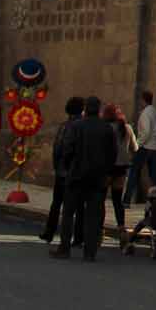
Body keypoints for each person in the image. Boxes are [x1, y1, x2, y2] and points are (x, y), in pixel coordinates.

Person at [50, 96, 116, 262]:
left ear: (86, 109)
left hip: (77, 174)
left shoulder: (76, 126)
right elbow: (112, 154)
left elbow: (68, 148)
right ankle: (90, 252)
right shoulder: (107, 128)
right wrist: (107, 172)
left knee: (68, 212)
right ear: (99, 109)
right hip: (97, 177)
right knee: (93, 215)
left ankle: (64, 248)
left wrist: (67, 166)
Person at [40, 96, 84, 243]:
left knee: (57, 203)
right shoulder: (82, 126)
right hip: (76, 170)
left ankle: (49, 232)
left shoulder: (64, 126)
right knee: (77, 206)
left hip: (62, 170)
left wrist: (58, 165)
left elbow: (57, 148)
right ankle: (78, 237)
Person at [103, 102, 138, 237]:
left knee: (101, 198)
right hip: (122, 168)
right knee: (118, 200)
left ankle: (99, 228)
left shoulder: (105, 128)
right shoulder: (127, 128)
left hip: (107, 167)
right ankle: (121, 227)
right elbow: (135, 148)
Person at [124, 90, 156, 205]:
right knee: (154, 176)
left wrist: (138, 144)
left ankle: (127, 199)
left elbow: (146, 132)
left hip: (146, 147)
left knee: (134, 172)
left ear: (143, 100)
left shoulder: (145, 113)